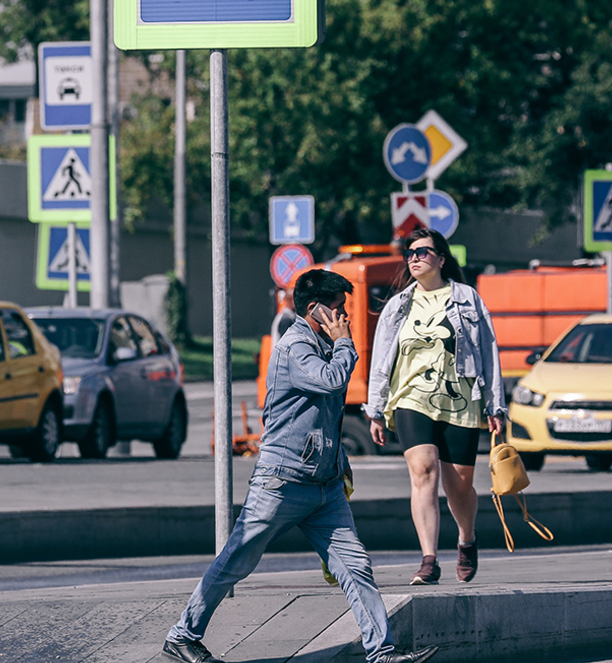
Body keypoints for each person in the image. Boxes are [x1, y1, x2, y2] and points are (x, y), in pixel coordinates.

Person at [161, 269, 438, 663]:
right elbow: (330, 381)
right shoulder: (295, 347)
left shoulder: (322, 343)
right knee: (236, 561)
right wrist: (345, 343)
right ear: (315, 309)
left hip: (324, 489)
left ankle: (382, 654)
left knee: (356, 567)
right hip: (282, 482)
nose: (345, 317)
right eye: (339, 309)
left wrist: (338, 463)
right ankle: (182, 636)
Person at [363, 228, 506, 585]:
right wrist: (375, 408)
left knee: (458, 485)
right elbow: (381, 359)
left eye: (423, 252)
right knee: (423, 471)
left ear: (441, 259)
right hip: (411, 398)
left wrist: (496, 405)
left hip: (461, 398)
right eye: (410, 253)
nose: (414, 258)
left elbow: (489, 351)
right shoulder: (398, 306)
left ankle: (466, 539)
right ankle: (429, 559)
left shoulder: (467, 299)